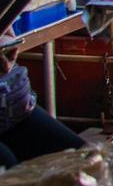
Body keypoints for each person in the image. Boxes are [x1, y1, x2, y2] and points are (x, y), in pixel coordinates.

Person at [0, 30, 85, 167]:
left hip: (14, 104)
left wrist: (8, 46)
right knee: (7, 167)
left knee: (83, 158)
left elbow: (8, 32)